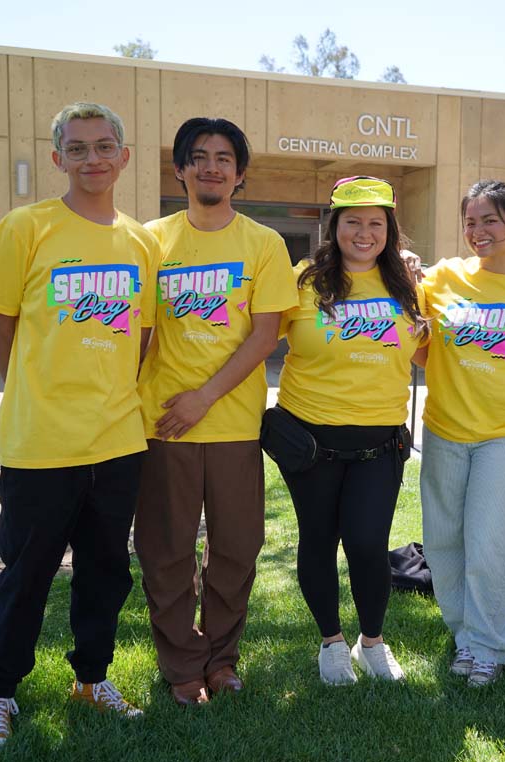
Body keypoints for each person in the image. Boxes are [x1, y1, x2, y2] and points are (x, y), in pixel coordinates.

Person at [0, 102, 159, 751]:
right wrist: (29, 385)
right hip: (40, 443)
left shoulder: (141, 242)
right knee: (27, 573)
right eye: (77, 149)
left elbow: (144, 335)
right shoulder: (26, 228)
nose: (92, 158)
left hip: (118, 441)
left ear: (123, 157)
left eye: (104, 146)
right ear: (58, 160)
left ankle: (92, 679)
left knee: (107, 571)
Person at [133, 118, 297, 705]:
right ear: (178, 169)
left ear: (240, 174)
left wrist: (204, 396)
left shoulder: (263, 244)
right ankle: (181, 665)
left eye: (223, 158)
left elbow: (265, 335)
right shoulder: (149, 241)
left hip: (231, 423)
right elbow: (139, 332)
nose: (211, 167)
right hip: (163, 424)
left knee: (235, 547)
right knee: (167, 549)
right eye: (198, 157)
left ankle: (222, 659)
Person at [275, 176, 427, 685]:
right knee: (317, 540)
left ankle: (373, 642)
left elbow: (422, 351)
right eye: (353, 222)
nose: (365, 233)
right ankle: (331, 642)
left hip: (380, 444)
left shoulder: (408, 285)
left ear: (390, 230)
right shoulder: (301, 282)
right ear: (334, 226)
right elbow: (254, 338)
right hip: (310, 443)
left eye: (376, 224)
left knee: (367, 543)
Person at [416, 180, 505, 687]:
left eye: (490, 220)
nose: (478, 231)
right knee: (443, 540)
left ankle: (491, 645)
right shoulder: (442, 278)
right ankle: (465, 636)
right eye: (471, 221)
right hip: (445, 429)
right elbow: (418, 344)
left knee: (493, 542)